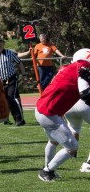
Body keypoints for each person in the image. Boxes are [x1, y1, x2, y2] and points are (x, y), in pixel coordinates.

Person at [36, 48, 90, 182]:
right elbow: (85, 93)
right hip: (49, 113)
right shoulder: (82, 67)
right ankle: (47, 171)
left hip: (44, 109)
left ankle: (48, 169)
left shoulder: (66, 68)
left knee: (53, 141)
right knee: (72, 147)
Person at [0, 36, 27, 126]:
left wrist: (24, 74)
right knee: (6, 100)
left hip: (11, 79)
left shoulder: (10, 53)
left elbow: (19, 62)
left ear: (3, 43)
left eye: (0, 42)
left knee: (10, 97)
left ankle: (19, 119)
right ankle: (7, 119)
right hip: (0, 81)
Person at [65, 99, 90, 173]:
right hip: (85, 102)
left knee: (74, 129)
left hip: (69, 104)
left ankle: (71, 153)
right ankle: (89, 163)